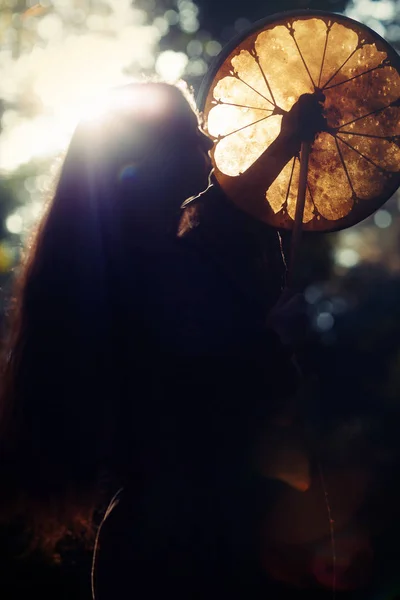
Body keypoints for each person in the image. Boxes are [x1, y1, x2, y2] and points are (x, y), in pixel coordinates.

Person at [0, 81, 312, 598]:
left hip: (155, 540)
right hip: (179, 552)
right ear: (153, 158)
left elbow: (229, 209)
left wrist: (285, 143)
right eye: (192, 134)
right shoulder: (158, 273)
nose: (209, 144)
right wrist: (272, 345)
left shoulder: (125, 265)